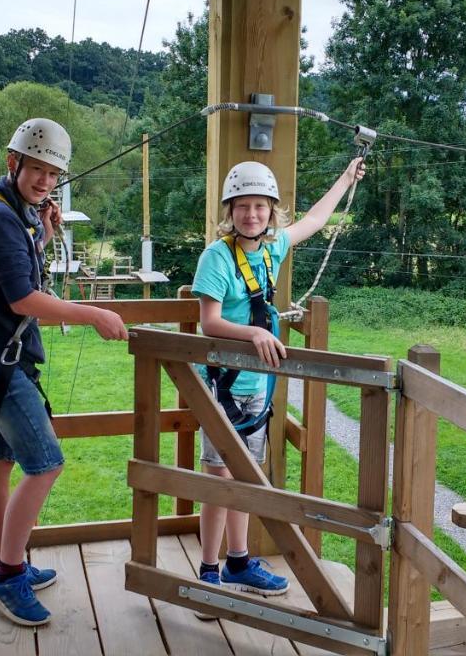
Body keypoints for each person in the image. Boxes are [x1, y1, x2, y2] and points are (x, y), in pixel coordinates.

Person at [0, 117, 128, 626]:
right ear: (14, 163)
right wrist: (94, 313)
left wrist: (44, 233)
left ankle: (7, 564)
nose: (46, 182)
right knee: (45, 463)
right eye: (38, 170)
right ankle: (8, 576)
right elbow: (23, 297)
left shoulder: (14, 213)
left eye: (54, 174)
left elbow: (14, 271)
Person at [190, 156, 365, 604]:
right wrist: (253, 331)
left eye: (260, 206)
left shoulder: (272, 248)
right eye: (243, 206)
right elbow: (209, 321)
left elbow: (315, 219)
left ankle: (238, 561)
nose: (252, 214)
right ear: (230, 212)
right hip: (222, 387)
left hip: (254, 389)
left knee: (247, 480)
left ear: (271, 211)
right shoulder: (216, 257)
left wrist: (346, 177)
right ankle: (209, 570)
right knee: (218, 479)